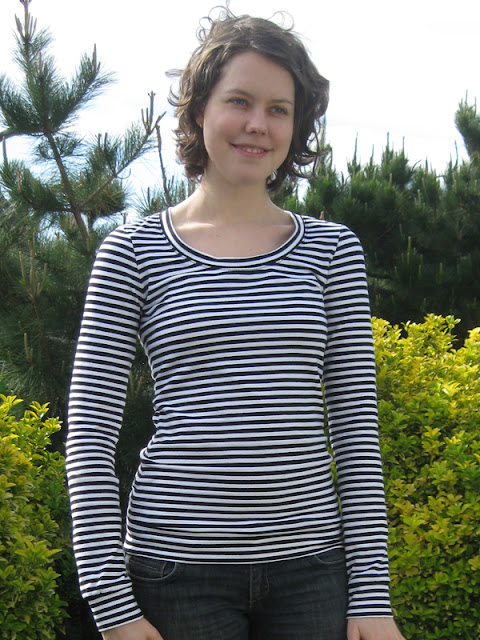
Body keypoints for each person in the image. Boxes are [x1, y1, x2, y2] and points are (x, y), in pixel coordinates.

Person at [66, 6, 406, 640]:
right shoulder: (132, 252)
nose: (258, 124)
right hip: (176, 576)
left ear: (296, 125)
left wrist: (371, 596)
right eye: (239, 101)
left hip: (311, 574)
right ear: (200, 110)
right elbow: (89, 437)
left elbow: (357, 429)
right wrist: (112, 608)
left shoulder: (333, 251)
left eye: (279, 109)